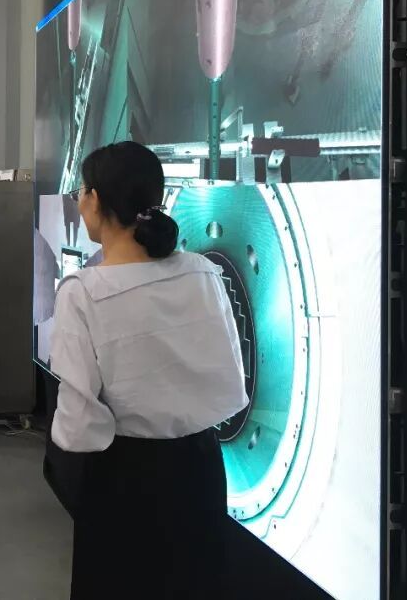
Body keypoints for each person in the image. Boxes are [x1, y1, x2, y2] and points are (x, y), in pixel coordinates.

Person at [50, 141, 248, 600]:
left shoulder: (83, 290)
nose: (79, 202)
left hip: (125, 476)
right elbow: (230, 378)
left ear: (95, 199)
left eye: (81, 191)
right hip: (201, 470)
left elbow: (78, 423)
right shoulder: (202, 272)